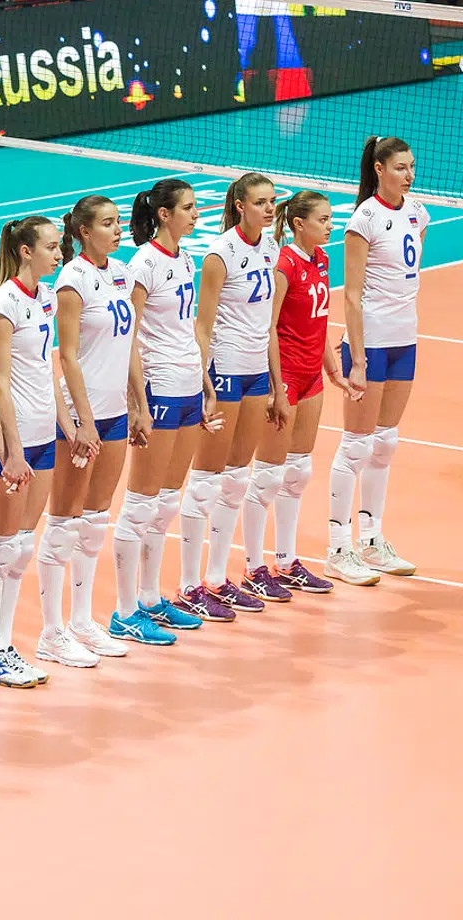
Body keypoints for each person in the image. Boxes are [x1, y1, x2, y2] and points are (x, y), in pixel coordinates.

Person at [113, 179, 221, 642]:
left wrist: (205, 382)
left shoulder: (186, 259)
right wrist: (137, 401)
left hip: (185, 387)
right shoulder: (143, 264)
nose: (196, 214)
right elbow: (128, 336)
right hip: (157, 388)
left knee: (167, 502)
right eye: (189, 208)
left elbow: (187, 327)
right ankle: (123, 610)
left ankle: (152, 598)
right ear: (164, 214)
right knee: (140, 504)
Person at [37, 194, 141, 665]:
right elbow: (68, 355)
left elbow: (129, 343)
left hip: (116, 409)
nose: (117, 229)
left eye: (118, 222)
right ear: (82, 232)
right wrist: (82, 419)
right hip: (83, 417)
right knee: (63, 523)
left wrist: (138, 403)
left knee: (96, 520)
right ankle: (51, 632)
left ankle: (82, 621)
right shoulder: (72, 281)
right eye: (107, 223)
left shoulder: (119, 273)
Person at [326, 136, 429, 584]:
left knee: (386, 442)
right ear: (380, 169)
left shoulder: (418, 212)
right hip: (369, 343)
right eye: (401, 167)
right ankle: (337, 547)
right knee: (356, 444)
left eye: (412, 166)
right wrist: (358, 358)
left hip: (405, 338)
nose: (409, 174)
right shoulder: (363, 219)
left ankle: (372, 539)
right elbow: (351, 294)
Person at [0, 217, 69, 686]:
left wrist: (69, 426)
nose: (59, 254)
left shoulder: (46, 298)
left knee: (23, 547)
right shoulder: (3, 303)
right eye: (52, 247)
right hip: (12, 442)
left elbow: (46, 369)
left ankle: (6, 646)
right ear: (27, 251)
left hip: (42, 433)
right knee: (0, 547)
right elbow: (0, 381)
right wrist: (10, 448)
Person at [185, 173, 282, 614]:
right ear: (240, 205)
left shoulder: (270, 247)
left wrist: (277, 385)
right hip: (223, 371)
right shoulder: (219, 254)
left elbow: (269, 325)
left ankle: (216, 577)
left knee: (238, 478)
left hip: (255, 372)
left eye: (273, 201)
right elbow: (202, 326)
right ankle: (190, 587)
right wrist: (203, 382)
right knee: (206, 480)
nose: (269, 209)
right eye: (261, 202)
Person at [240, 191, 346, 596]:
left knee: (298, 472)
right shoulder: (283, 265)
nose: (330, 225)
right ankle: (254, 567)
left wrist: (332, 370)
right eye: (323, 219)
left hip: (311, 376)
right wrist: (274, 386)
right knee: (267, 476)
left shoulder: (322, 259)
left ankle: (286, 562)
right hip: (284, 374)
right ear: (300, 223)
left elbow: (319, 321)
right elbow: (269, 327)